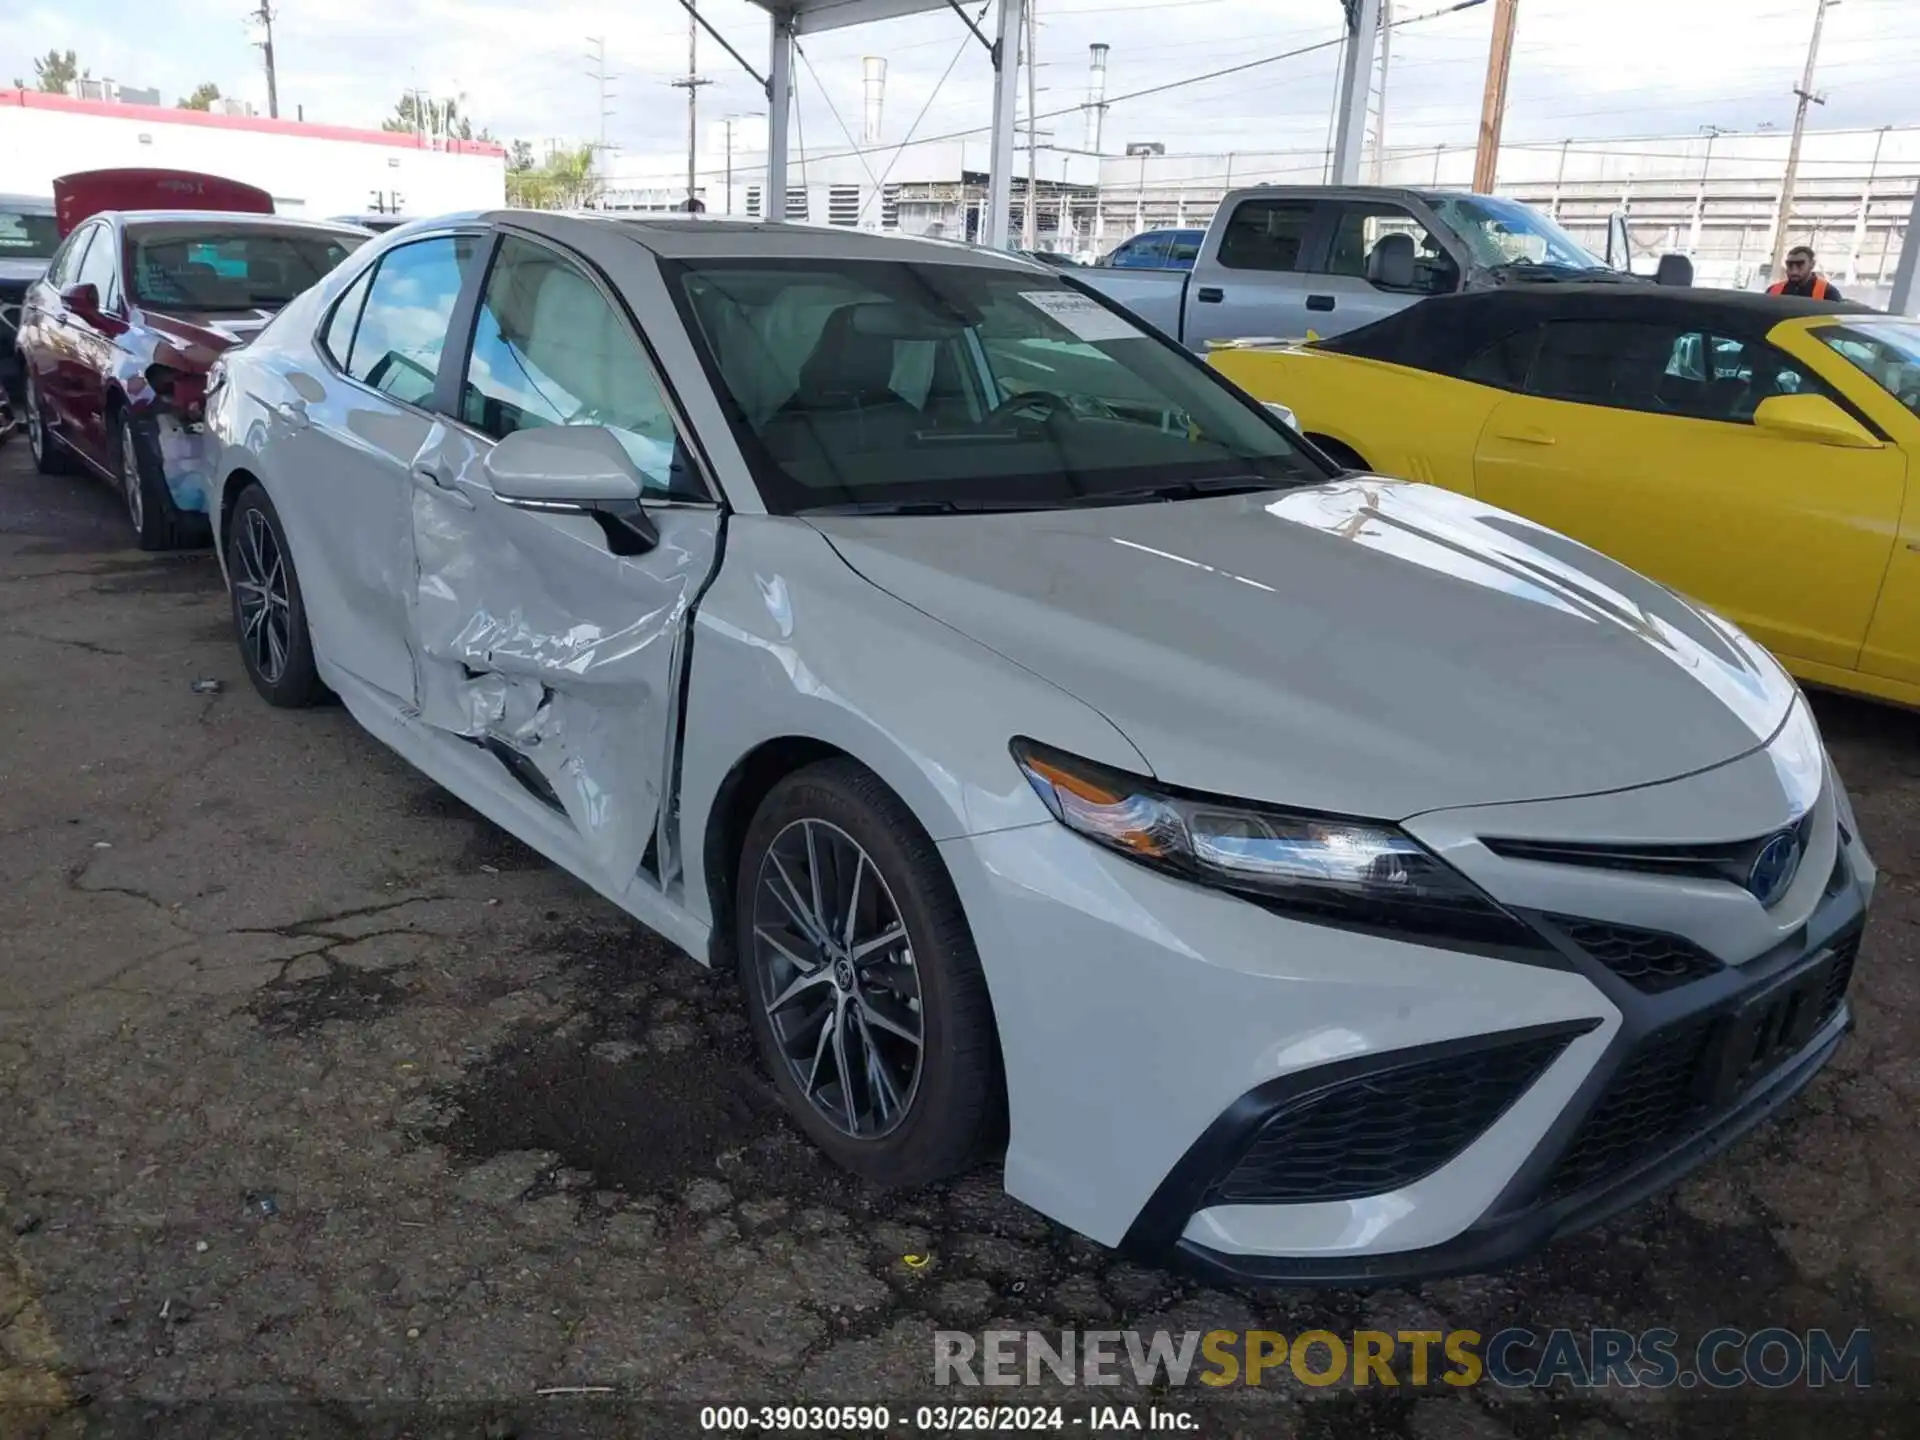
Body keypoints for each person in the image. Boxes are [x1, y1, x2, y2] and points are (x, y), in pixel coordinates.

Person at [1769, 246, 1842, 301]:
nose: (1794, 271)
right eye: (1790, 264)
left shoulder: (1828, 293)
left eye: (1800, 264)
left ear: (1812, 264)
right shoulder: (1773, 290)